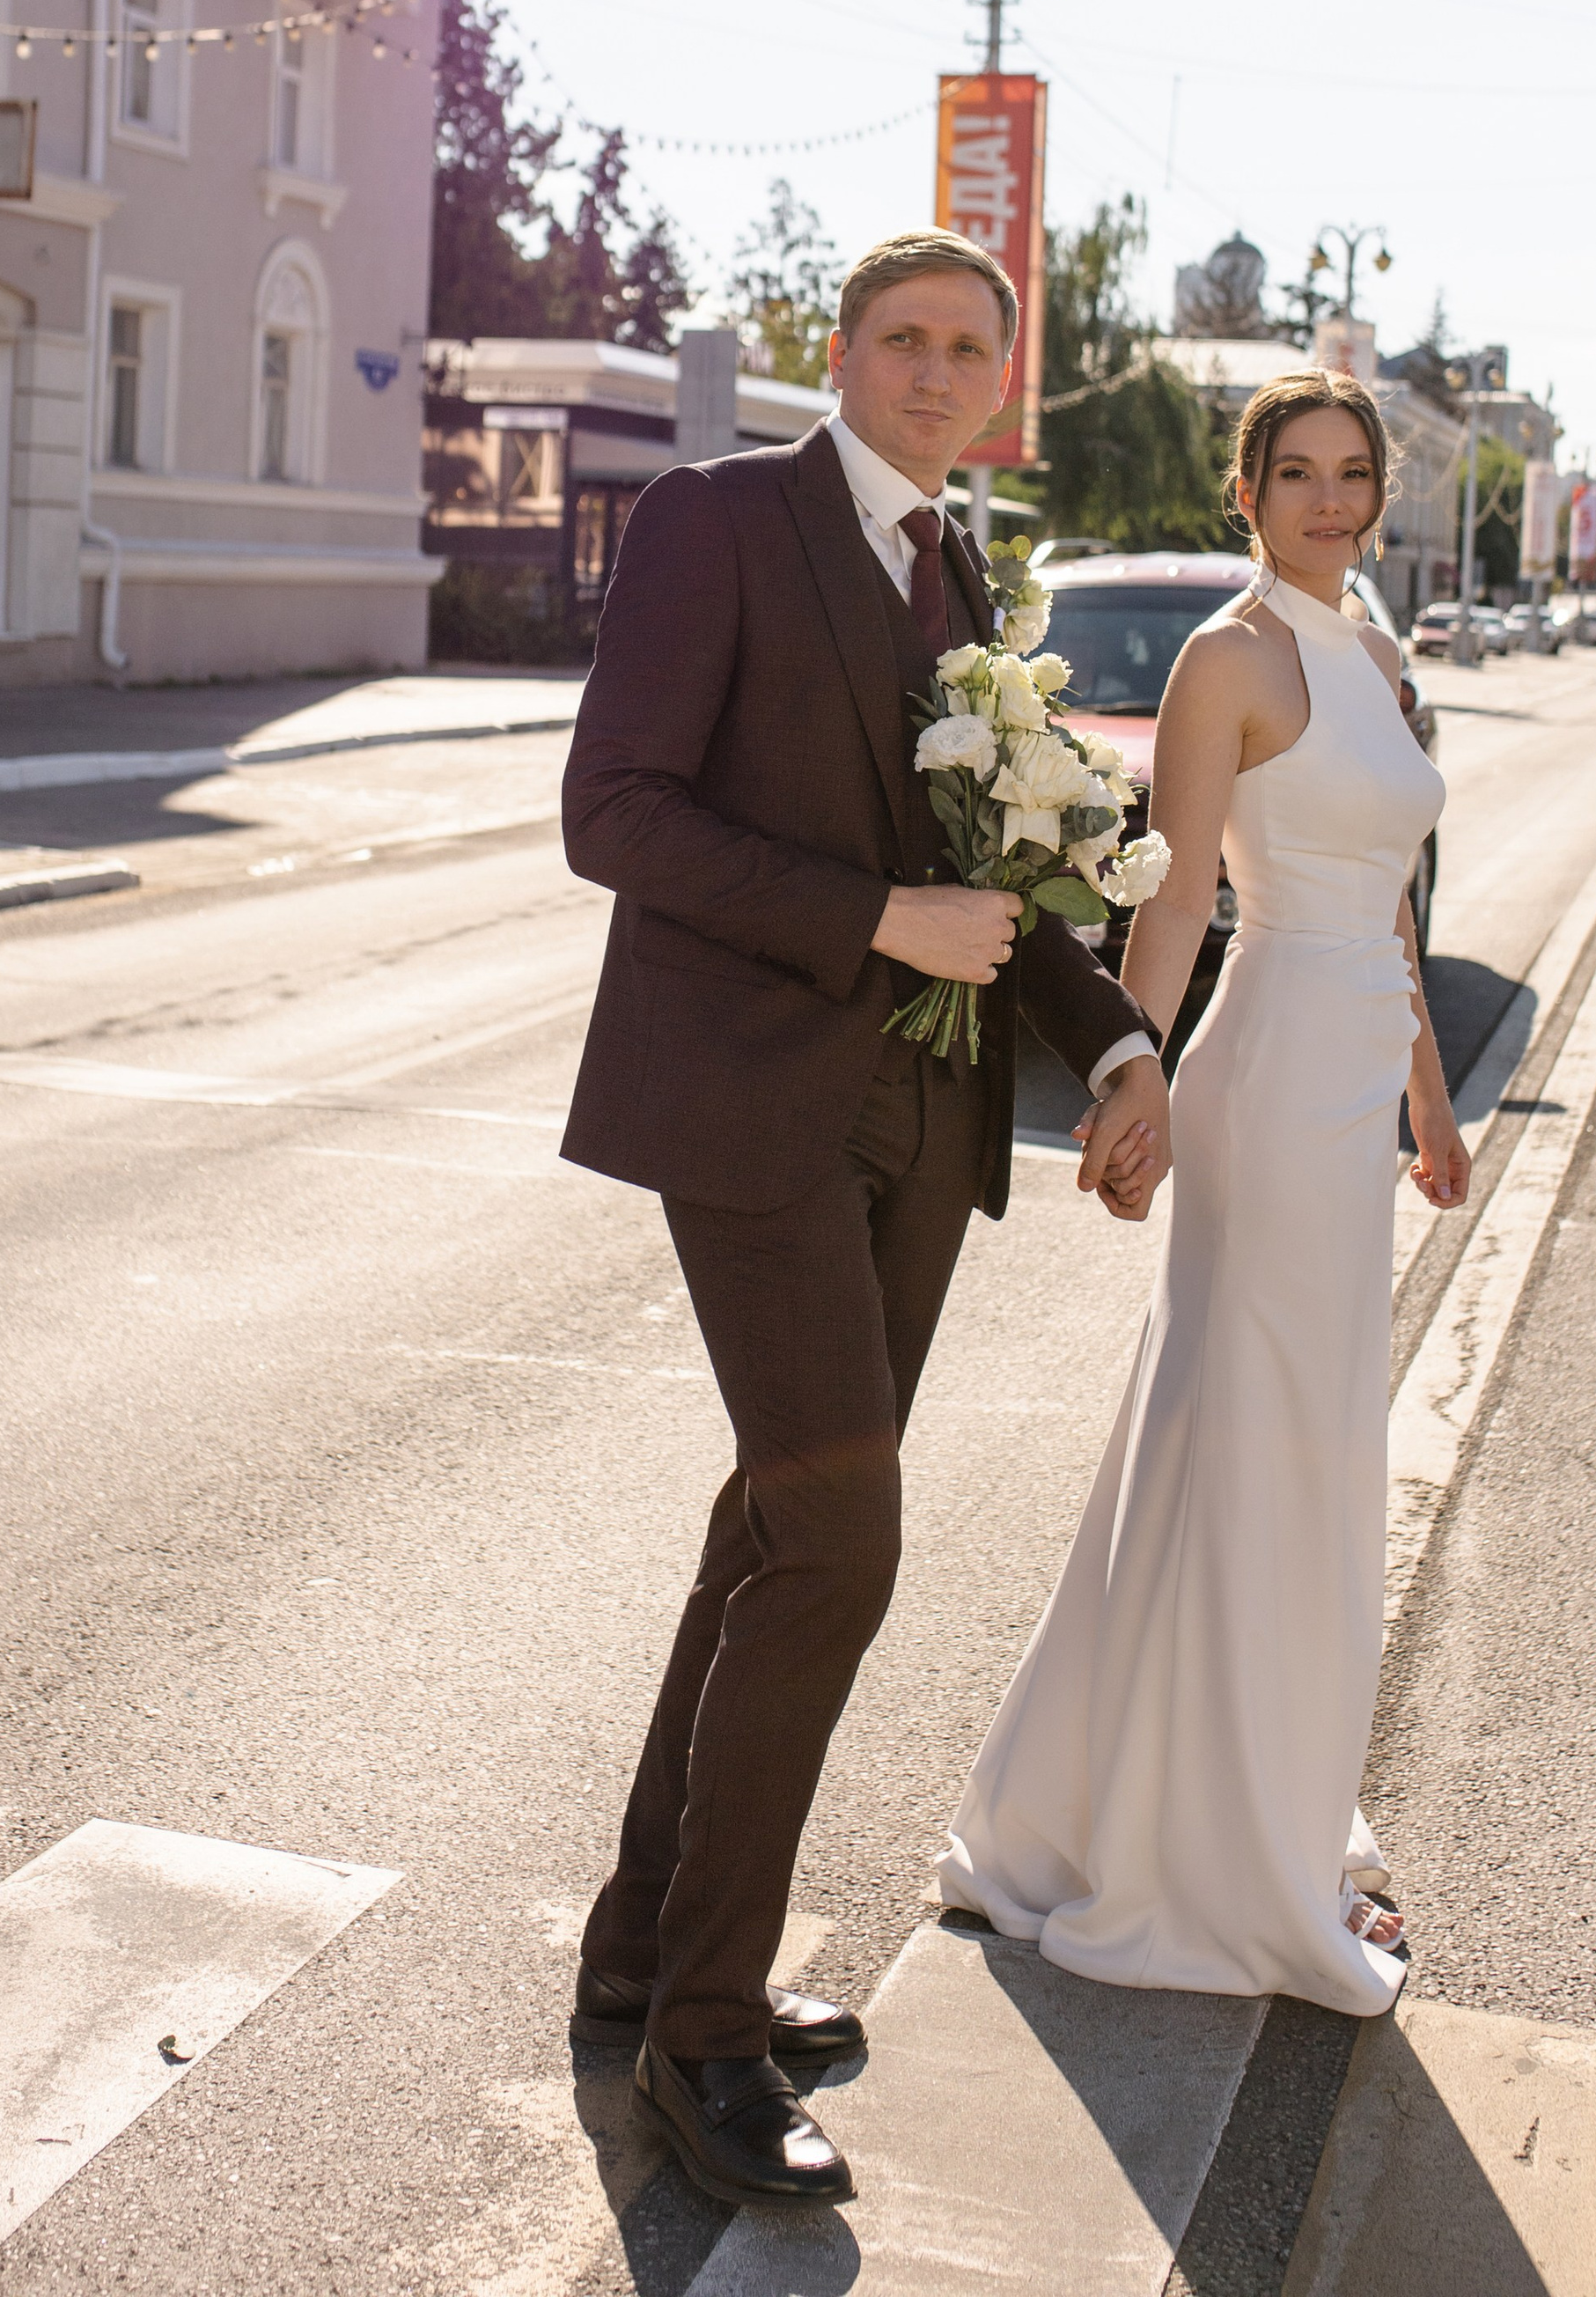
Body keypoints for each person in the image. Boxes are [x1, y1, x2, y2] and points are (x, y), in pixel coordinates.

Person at [558, 227, 1171, 2209]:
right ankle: (702, 2047)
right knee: (838, 1544)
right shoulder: (716, 519)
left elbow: (988, 870)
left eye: (963, 347)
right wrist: (865, 921)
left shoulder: (959, 567)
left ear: (1004, 378)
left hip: (915, 1126)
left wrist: (1122, 1040)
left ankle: (643, 1954)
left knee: (771, 1525)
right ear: (841, 354)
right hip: (746, 1108)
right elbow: (616, 810)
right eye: (897, 340)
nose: (929, 372)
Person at [941, 366, 1471, 2016]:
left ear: (1375, 496)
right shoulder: (1225, 658)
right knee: (1254, 1440)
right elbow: (1169, 905)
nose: (1327, 498)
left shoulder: (1376, 654)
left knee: (1305, 1448)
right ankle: (1217, 1859)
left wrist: (1430, 1106)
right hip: (1260, 1088)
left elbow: (1392, 913)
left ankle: (1270, 1808)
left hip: (1353, 1078)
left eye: (1350, 474)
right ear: (1243, 495)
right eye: (1295, 473)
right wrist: (1132, 1073)